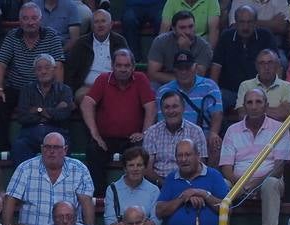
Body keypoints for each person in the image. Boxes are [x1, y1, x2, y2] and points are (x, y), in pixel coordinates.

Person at [219, 87, 290, 225]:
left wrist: (254, 183)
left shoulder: (280, 128)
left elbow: (279, 167)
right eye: (249, 102)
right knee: (222, 184)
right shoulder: (232, 130)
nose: (254, 106)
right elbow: (226, 168)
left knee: (271, 183)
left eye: (258, 102)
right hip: (237, 182)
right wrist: (242, 184)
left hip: (267, 180)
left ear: (266, 105)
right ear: (244, 106)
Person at [0, 4, 67, 147]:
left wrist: (58, 90)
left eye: (34, 18)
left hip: (42, 90)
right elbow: (1, 64)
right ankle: (2, 150)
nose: (30, 22)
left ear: (40, 20)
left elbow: (58, 66)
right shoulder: (12, 36)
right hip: (16, 88)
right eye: (25, 18)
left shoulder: (51, 35)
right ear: (20, 21)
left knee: (61, 107)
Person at [2, 132, 95, 225]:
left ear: (65, 149)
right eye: (47, 147)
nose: (51, 151)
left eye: (56, 147)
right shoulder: (26, 168)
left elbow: (86, 203)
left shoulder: (79, 169)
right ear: (41, 149)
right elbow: (10, 198)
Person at [79, 49, 155, 197]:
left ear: (133, 67)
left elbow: (151, 107)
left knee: (141, 153)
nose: (123, 69)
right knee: (93, 150)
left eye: (127, 66)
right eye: (119, 65)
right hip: (106, 138)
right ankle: (99, 198)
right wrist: (95, 134)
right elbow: (86, 104)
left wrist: (144, 133)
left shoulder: (141, 79)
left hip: (133, 138)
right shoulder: (103, 79)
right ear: (112, 66)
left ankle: (139, 196)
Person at [156, 138, 229, 225]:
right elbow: (159, 211)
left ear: (198, 156)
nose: (184, 159)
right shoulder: (171, 178)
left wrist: (203, 194)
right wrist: (183, 197)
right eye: (180, 155)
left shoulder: (214, 175)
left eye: (188, 155)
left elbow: (228, 209)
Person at [210, 5, 277, 118]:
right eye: (241, 22)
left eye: (249, 22)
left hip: (259, 92)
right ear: (235, 23)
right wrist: (213, 91)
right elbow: (216, 67)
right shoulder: (226, 36)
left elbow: (276, 65)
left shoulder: (265, 36)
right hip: (230, 92)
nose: (245, 27)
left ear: (256, 23)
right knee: (213, 102)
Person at [157, 51, 224, 160]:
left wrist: (213, 133)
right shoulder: (163, 91)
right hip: (173, 139)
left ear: (195, 67)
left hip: (204, 138)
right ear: (174, 70)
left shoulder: (210, 86)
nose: (184, 72)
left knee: (215, 143)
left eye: (187, 67)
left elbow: (217, 114)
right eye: (180, 68)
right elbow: (162, 122)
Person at [11, 52, 74, 162]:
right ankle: (25, 178)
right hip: (30, 133)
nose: (43, 72)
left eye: (47, 68)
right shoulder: (27, 90)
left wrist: (37, 110)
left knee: (63, 145)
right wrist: (52, 112)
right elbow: (22, 117)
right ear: (35, 72)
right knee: (19, 145)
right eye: (39, 69)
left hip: (57, 132)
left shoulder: (65, 90)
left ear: (54, 69)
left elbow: (64, 115)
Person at [143, 91, 208, 185]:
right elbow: (148, 170)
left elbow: (201, 166)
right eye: (167, 107)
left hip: (190, 184)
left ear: (183, 108)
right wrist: (167, 185)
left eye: (175, 106)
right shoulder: (151, 132)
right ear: (161, 110)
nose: (171, 111)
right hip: (159, 185)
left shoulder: (196, 131)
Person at [64, 9, 126, 105]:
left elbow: (127, 66)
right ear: (92, 26)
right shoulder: (81, 43)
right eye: (96, 22)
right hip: (87, 87)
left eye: (103, 21)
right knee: (85, 97)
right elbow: (71, 71)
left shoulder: (119, 41)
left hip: (113, 85)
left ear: (111, 24)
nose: (100, 25)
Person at [103, 146, 161, 225]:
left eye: (139, 165)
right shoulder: (112, 189)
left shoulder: (154, 190)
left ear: (145, 167)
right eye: (131, 165)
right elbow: (110, 222)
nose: (135, 169)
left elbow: (156, 223)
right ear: (125, 168)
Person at [147, 10, 213, 86]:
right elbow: (152, 75)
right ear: (174, 29)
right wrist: (181, 80)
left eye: (191, 26)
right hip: (165, 84)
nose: (188, 32)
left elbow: (197, 76)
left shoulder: (203, 46)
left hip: (194, 86)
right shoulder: (160, 41)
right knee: (153, 86)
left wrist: (185, 50)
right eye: (182, 28)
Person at [233, 49, 290, 121]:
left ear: (277, 65)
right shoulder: (245, 85)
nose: (266, 67)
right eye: (262, 63)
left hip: (278, 131)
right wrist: (276, 110)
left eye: (270, 62)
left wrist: (253, 110)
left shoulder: (287, 86)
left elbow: (284, 115)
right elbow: (242, 115)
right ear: (256, 66)